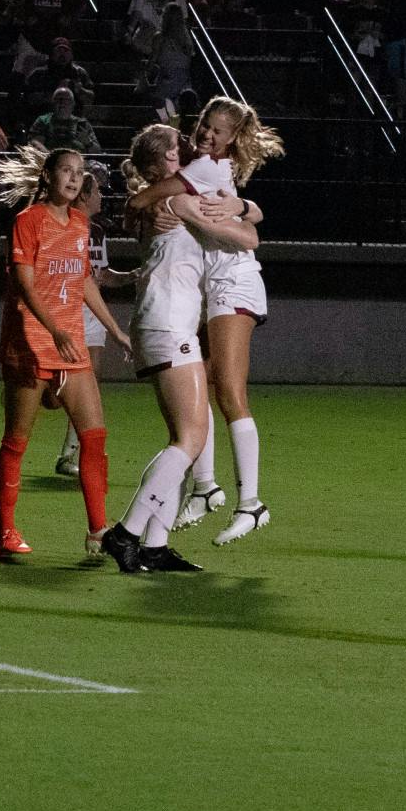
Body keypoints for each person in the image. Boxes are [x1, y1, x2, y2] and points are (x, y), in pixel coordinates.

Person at [99, 123, 260, 575]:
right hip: (168, 324)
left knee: (182, 439)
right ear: (160, 167)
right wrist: (240, 209)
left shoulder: (161, 201)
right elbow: (250, 238)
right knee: (189, 440)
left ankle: (153, 545)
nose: (187, 152)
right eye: (176, 151)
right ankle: (127, 534)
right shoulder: (179, 199)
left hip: (163, 322)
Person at [128, 98, 287, 545]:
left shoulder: (202, 171)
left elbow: (250, 233)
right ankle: (206, 488)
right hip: (211, 290)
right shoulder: (210, 167)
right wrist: (244, 206)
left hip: (232, 284)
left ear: (233, 137)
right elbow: (247, 211)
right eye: (205, 125)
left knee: (230, 393)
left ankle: (250, 504)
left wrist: (149, 204)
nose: (208, 134)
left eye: (219, 130)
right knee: (210, 386)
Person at [0, 145, 132, 561]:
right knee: (17, 441)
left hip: (69, 344)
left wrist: (115, 329)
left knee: (94, 436)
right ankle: (7, 531)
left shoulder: (79, 224)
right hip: (31, 343)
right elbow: (24, 284)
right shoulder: (27, 222)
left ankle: (97, 531)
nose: (74, 179)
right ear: (48, 176)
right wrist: (53, 330)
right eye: (66, 171)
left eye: (79, 173)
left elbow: (85, 280)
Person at [54, 163, 132, 477]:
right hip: (69, 312)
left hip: (93, 314)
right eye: (98, 190)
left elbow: (102, 277)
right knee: (58, 391)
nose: (103, 195)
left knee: (89, 383)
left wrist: (135, 276)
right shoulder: (64, 228)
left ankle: (70, 454)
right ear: (84, 196)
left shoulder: (97, 230)